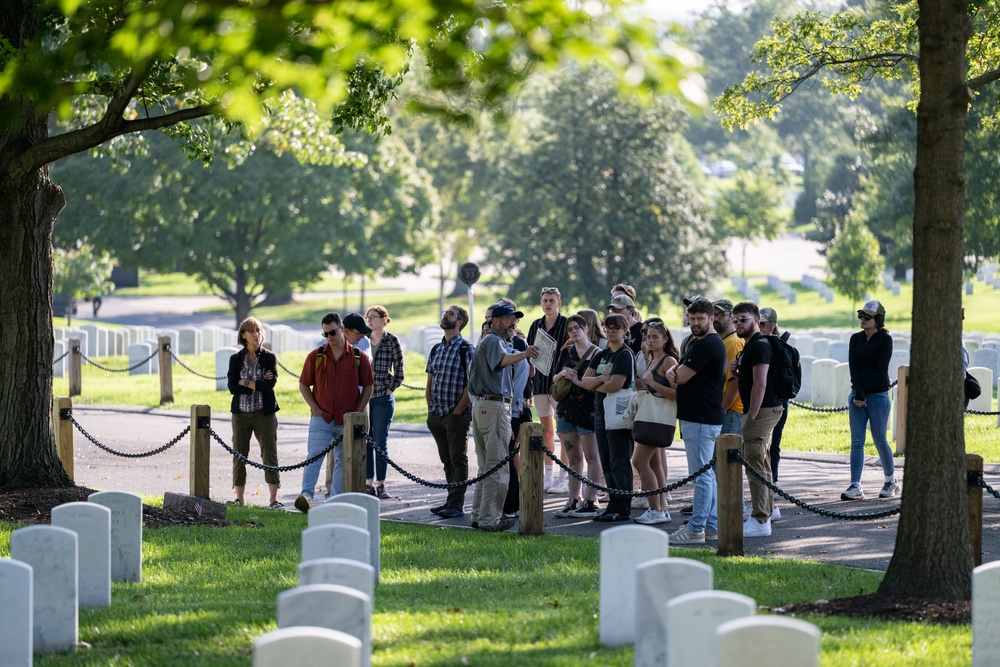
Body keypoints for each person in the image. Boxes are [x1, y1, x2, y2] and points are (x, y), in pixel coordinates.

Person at [467, 302, 539, 532]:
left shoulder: (489, 341)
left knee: (486, 466)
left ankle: (479, 515)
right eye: (509, 318)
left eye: (515, 319)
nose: (513, 323)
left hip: (484, 406)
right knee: (497, 466)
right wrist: (525, 354)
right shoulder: (494, 340)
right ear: (495, 321)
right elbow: (501, 361)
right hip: (494, 406)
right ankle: (491, 520)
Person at [294, 313, 374, 513]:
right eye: (325, 333)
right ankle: (306, 495)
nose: (329, 336)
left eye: (333, 332)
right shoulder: (316, 356)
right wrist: (314, 407)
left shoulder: (358, 357)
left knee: (341, 460)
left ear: (342, 330)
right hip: (322, 417)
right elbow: (304, 384)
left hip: (347, 420)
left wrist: (358, 411)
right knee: (314, 456)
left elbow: (369, 385)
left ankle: (335, 500)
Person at [666, 298, 726, 545]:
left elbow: (678, 375)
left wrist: (674, 373)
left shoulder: (707, 344)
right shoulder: (699, 342)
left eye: (701, 319)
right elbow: (678, 372)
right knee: (706, 474)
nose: (695, 323)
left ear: (712, 319)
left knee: (701, 475)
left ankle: (696, 528)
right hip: (700, 416)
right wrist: (675, 373)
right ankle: (710, 525)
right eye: (691, 319)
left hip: (701, 418)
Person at [732, 301, 784, 537]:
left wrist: (751, 414)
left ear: (756, 321)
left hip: (761, 410)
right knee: (760, 462)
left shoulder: (759, 345)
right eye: (735, 320)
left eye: (743, 319)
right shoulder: (751, 345)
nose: (738, 324)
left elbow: (761, 384)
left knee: (753, 460)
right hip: (762, 410)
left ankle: (760, 520)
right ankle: (769, 510)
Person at [580, 313, 635, 522]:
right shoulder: (601, 354)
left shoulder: (624, 354)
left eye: (616, 327)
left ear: (624, 330)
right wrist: (603, 379)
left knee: (619, 461)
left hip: (619, 413)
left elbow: (616, 385)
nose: (611, 331)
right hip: (601, 412)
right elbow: (585, 381)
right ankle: (612, 504)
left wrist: (599, 381)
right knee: (607, 461)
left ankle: (623, 508)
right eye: (608, 327)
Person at [842, 299, 897, 500]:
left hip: (878, 396)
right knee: (857, 441)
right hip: (857, 395)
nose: (862, 319)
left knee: (880, 440)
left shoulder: (885, 340)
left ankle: (890, 481)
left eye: (867, 317)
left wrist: (864, 394)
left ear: (878, 320)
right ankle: (855, 485)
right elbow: (853, 367)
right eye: (861, 315)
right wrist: (858, 392)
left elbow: (880, 369)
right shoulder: (855, 339)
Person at [551, 314, 603, 518]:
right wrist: (564, 374)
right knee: (573, 458)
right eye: (570, 329)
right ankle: (574, 498)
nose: (573, 332)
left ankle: (591, 499)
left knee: (592, 457)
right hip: (566, 410)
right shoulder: (566, 351)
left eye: (577, 328)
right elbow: (554, 378)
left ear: (586, 329)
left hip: (588, 411)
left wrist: (579, 379)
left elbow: (599, 381)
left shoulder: (597, 353)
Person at [227, 317, 281, 508]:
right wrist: (255, 384)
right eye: (251, 331)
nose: (255, 335)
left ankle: (273, 499)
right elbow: (232, 386)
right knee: (239, 454)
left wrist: (246, 382)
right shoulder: (235, 359)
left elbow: (270, 385)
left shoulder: (269, 357)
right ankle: (239, 498)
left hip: (264, 413)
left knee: (269, 454)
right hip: (241, 413)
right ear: (243, 335)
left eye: (258, 331)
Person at [426, 306, 473, 519]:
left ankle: (456, 504)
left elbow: (471, 384)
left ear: (460, 322)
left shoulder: (466, 349)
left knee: (457, 459)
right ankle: (449, 500)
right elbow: (430, 380)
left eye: (451, 314)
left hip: (456, 415)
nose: (445, 314)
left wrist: (457, 411)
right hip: (436, 414)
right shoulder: (436, 349)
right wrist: (430, 407)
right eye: (445, 312)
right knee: (446, 460)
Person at [631, 320, 679, 525]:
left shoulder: (669, 361)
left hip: (657, 419)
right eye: (648, 336)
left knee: (638, 462)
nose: (650, 340)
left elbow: (677, 394)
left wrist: (651, 383)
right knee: (654, 463)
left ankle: (655, 509)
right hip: (649, 416)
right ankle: (661, 508)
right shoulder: (651, 359)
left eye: (655, 337)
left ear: (665, 339)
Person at [526, 287, 569, 494]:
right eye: (544, 300)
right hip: (541, 384)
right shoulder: (536, 325)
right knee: (546, 431)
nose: (548, 304)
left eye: (552, 300)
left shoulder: (567, 324)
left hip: (561, 387)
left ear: (559, 302)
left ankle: (564, 477)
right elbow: (530, 355)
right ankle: (549, 475)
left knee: (564, 431)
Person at [329, 312, 373, 498]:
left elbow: (368, 369)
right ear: (345, 331)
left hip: (361, 400)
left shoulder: (364, 344)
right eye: (359, 332)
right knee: (336, 450)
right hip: (337, 404)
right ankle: (333, 489)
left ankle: (355, 486)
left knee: (359, 444)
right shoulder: (327, 346)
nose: (363, 335)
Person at [364, 305, 404, 500]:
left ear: (384, 319)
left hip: (382, 397)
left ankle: (381, 483)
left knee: (380, 440)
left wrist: (390, 388)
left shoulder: (392, 340)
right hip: (364, 398)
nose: (370, 320)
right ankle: (368, 483)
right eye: (368, 317)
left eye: (374, 317)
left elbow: (400, 371)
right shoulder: (363, 341)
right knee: (366, 441)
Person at [759, 306, 789, 494]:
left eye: (762, 324)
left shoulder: (780, 346)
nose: (759, 327)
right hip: (762, 400)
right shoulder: (754, 343)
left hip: (778, 399)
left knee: (774, 444)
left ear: (771, 325)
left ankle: (773, 481)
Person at [713, 299, 745, 436]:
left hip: (730, 411)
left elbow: (735, 382)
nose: (715, 318)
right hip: (725, 410)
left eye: (721, 315)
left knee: (726, 457)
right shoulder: (723, 340)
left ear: (731, 317)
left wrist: (722, 410)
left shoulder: (733, 342)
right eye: (713, 314)